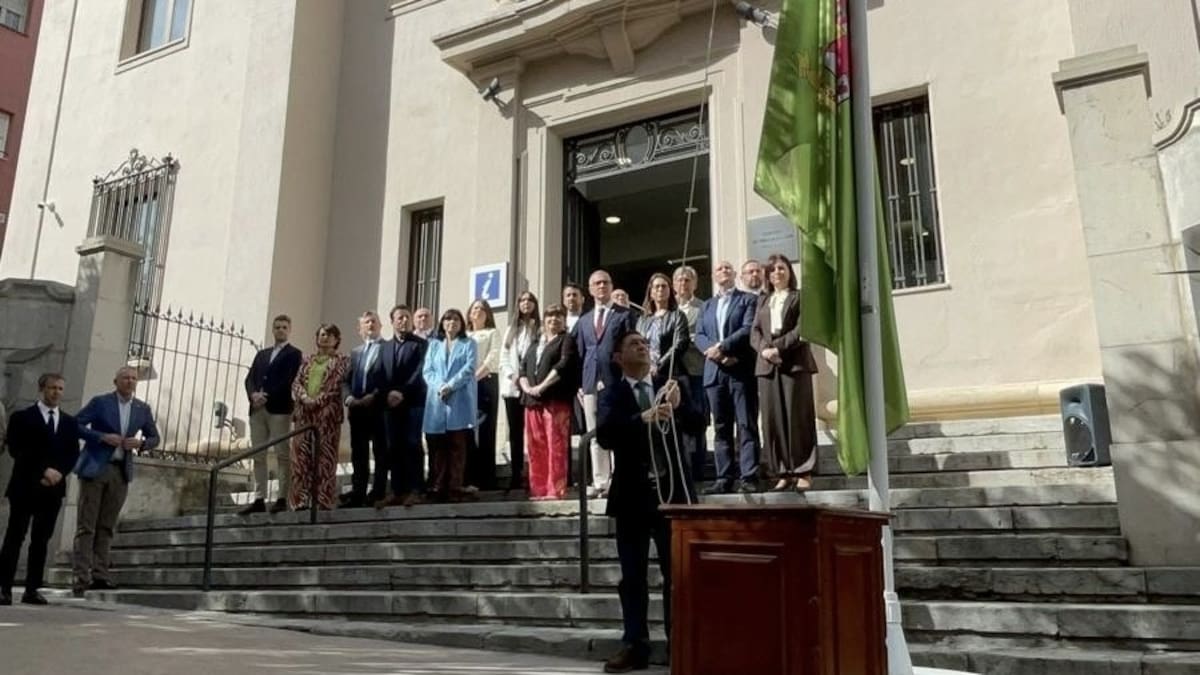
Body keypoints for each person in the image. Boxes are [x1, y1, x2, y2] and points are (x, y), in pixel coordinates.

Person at [597, 331, 698, 673]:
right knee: (633, 576)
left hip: (673, 496)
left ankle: (679, 642)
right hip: (632, 498)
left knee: (677, 573)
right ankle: (635, 643)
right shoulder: (612, 394)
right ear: (618, 357)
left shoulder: (670, 385)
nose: (641, 347)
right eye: (632, 345)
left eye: (644, 343)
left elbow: (699, 424)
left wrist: (681, 407)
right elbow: (606, 435)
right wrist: (641, 419)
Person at [72, 365, 160, 597]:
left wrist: (141, 444)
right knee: (87, 525)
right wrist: (101, 437)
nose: (130, 381)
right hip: (95, 468)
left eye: (133, 378)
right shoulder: (101, 402)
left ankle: (100, 574)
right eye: (125, 378)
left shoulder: (141, 409)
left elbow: (154, 437)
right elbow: (75, 425)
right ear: (116, 381)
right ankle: (81, 577)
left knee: (107, 526)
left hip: (120, 471)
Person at [0, 373, 80, 605]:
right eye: (52, 388)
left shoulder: (68, 422)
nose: (56, 392)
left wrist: (59, 472)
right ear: (42, 389)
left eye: (61, 389)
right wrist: (43, 470)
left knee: (41, 540)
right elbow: (16, 449)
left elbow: (72, 453)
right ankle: (4, 587)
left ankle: (32, 589)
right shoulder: (22, 417)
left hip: (53, 490)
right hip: (25, 486)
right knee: (15, 537)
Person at [751, 254, 819, 491]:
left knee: (797, 417)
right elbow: (755, 331)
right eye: (772, 270)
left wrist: (776, 348)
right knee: (772, 420)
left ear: (789, 271)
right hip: (768, 367)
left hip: (794, 364)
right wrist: (764, 350)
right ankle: (781, 471)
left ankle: (803, 470)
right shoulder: (763, 300)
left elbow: (803, 328)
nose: (777, 273)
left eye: (782, 268)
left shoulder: (799, 297)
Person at [696, 260, 761, 494]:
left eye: (727, 268)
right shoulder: (706, 306)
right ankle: (724, 478)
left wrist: (722, 347)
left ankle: (749, 476)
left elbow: (747, 329)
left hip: (740, 370)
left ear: (734, 274)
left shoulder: (748, 300)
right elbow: (700, 335)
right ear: (714, 276)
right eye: (719, 269)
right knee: (722, 427)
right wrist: (716, 355)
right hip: (715, 373)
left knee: (746, 424)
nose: (723, 271)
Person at [574, 269, 637, 497]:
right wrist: (579, 385)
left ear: (611, 286)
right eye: (597, 283)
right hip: (590, 382)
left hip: (616, 381)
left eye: (605, 282)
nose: (601, 286)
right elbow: (579, 354)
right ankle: (601, 481)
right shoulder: (583, 321)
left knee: (618, 431)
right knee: (594, 434)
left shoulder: (624, 314)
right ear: (590, 290)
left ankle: (620, 480)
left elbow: (631, 347)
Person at [240, 314, 303, 515]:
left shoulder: (294, 354)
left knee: (282, 454)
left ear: (289, 329)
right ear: (273, 329)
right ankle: (259, 498)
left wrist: (266, 395)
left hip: (279, 409)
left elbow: (289, 379)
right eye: (277, 327)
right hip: (257, 410)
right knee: (258, 454)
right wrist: (253, 395)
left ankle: (282, 497)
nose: (280, 330)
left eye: (284, 327)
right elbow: (250, 378)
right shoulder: (262, 354)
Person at [518, 303, 578, 500]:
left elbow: (564, 364)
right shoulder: (535, 344)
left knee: (556, 445)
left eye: (558, 316)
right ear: (544, 320)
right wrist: (527, 388)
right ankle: (538, 489)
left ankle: (555, 490)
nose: (554, 320)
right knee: (535, 447)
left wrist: (542, 386)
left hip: (555, 400)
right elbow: (523, 368)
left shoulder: (566, 340)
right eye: (550, 316)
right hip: (532, 402)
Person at [289, 324, 350, 510]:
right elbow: (297, 382)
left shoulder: (342, 360)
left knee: (325, 458)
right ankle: (300, 500)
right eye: (322, 335)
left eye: (330, 335)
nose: (325, 338)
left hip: (327, 415)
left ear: (337, 340)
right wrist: (305, 398)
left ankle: (322, 500)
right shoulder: (307, 360)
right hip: (304, 414)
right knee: (301, 458)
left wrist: (317, 400)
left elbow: (336, 384)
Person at [422, 309, 478, 503]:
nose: (451, 322)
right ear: (441, 323)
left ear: (461, 323)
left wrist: (451, 385)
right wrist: (440, 386)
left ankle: (455, 487)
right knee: (437, 447)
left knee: (457, 446)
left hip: (459, 399)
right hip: (437, 401)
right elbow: (427, 370)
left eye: (455, 319)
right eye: (447, 319)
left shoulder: (469, 343)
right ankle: (437, 487)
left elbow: (469, 368)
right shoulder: (434, 345)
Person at [375, 305, 428, 508]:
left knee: (413, 444)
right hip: (390, 405)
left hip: (413, 402)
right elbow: (378, 374)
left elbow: (420, 372)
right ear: (392, 321)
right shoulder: (384, 347)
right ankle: (398, 490)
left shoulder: (421, 344)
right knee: (393, 446)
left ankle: (416, 489)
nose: (403, 321)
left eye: (407, 317)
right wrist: (388, 393)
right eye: (399, 318)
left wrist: (402, 392)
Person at [342, 311, 386, 508]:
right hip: (357, 410)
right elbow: (346, 380)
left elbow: (388, 376)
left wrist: (375, 394)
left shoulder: (387, 348)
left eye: (374, 322)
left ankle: (378, 491)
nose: (370, 325)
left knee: (380, 451)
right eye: (366, 323)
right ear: (360, 329)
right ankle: (358, 492)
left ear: (381, 325)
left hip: (377, 408)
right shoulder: (356, 352)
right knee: (358, 453)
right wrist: (349, 398)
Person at [500, 291, 540, 493]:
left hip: (532, 388)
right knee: (515, 433)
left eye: (529, 300)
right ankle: (516, 474)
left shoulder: (539, 329)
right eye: (522, 300)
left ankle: (534, 474)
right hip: (513, 387)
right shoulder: (511, 329)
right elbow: (504, 357)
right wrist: (512, 376)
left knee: (534, 433)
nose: (526, 303)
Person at [672, 265, 709, 481]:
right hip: (672, 373)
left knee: (697, 420)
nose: (683, 284)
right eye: (679, 280)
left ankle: (697, 469)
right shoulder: (667, 308)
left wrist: (690, 339)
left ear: (694, 284)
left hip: (695, 370)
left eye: (687, 280)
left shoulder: (703, 307)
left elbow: (705, 334)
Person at [466, 298, 501, 492]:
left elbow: (493, 357)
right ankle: (468, 477)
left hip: (485, 383)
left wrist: (475, 377)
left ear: (487, 314)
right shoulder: (464, 335)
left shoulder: (492, 332)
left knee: (485, 429)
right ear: (469, 313)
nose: (478, 311)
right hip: (464, 387)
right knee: (467, 432)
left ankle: (486, 479)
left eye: (482, 308)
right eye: (475, 308)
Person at [637, 273, 689, 379]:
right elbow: (638, 344)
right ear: (651, 292)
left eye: (664, 286)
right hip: (646, 373)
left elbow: (680, 344)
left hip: (670, 374)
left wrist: (659, 365)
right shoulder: (643, 319)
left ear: (670, 291)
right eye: (657, 287)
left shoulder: (677, 315)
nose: (660, 289)